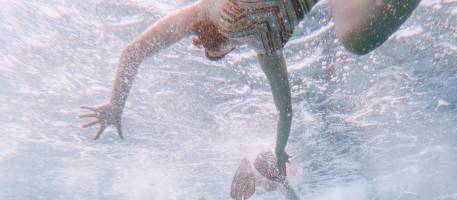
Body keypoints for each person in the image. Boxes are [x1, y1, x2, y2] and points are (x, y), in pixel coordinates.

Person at [80, 0, 320, 179]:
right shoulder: (213, 14)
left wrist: (279, 151)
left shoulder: (265, 43)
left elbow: (285, 111)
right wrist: (115, 104)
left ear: (227, 48)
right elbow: (132, 53)